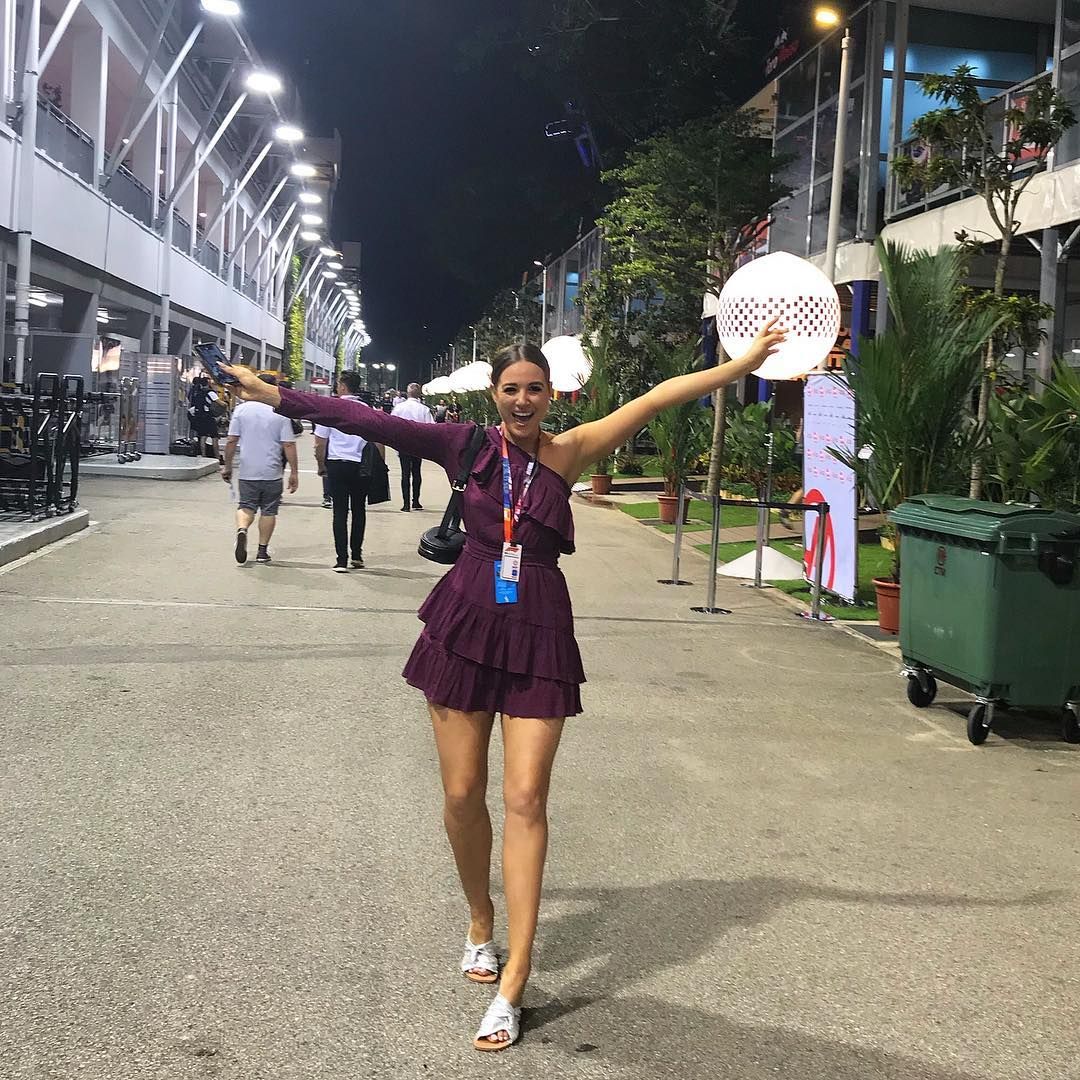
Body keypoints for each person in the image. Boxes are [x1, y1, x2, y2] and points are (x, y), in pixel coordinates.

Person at [220, 318, 784, 1051]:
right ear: (494, 394)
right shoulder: (467, 446)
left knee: (525, 798)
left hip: (539, 626)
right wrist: (278, 395)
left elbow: (656, 397)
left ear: (552, 394)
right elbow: (367, 420)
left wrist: (742, 362)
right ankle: (481, 918)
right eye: (512, 389)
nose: (524, 401)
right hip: (464, 619)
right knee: (462, 794)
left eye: (535, 389)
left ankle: (516, 976)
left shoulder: (569, 452)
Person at [221, 374, 298, 565]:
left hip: (248, 469)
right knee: (269, 511)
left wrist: (227, 466)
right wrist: (294, 472)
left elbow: (231, 440)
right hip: (272, 471)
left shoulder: (241, 410)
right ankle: (262, 551)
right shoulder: (280, 412)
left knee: (246, 506)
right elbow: (288, 444)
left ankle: (242, 529)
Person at [315, 369, 377, 572]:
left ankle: (341, 559)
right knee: (359, 510)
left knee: (339, 512)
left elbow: (320, 442)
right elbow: (376, 438)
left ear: (342, 386)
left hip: (337, 463)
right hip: (361, 465)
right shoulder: (366, 409)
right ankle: (357, 555)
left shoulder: (331, 408)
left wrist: (321, 465)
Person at [391, 382, 434, 511]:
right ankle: (416, 501)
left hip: (403, 443)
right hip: (418, 444)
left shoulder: (399, 408)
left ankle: (406, 504)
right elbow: (431, 427)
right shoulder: (424, 409)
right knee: (416, 472)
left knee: (405, 473)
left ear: (407, 393)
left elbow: (391, 424)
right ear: (419, 394)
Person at [187, 375, 221, 459]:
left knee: (203, 436)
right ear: (208, 383)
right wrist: (225, 405)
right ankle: (217, 457)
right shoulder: (210, 393)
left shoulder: (198, 392)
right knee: (215, 437)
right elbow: (220, 403)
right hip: (208, 417)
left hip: (199, 417)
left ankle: (203, 456)